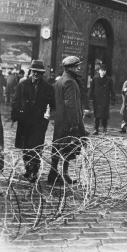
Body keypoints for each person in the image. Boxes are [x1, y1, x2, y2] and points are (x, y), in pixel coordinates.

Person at [11, 60, 55, 183]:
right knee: (25, 147)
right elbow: (15, 101)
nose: (36, 74)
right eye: (34, 72)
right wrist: (16, 114)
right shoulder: (22, 85)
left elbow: (53, 104)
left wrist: (46, 117)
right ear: (31, 71)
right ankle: (27, 169)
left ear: (42, 74)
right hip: (24, 121)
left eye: (39, 73)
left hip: (38, 123)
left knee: (36, 147)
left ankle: (34, 171)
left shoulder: (48, 87)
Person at [48, 56, 88, 185]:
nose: (79, 68)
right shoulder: (70, 82)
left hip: (60, 121)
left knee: (58, 147)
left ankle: (52, 174)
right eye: (77, 66)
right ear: (70, 67)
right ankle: (64, 175)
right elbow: (72, 105)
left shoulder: (60, 81)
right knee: (68, 149)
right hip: (69, 123)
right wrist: (75, 124)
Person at [89, 64, 116, 135]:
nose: (103, 72)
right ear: (99, 71)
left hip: (105, 100)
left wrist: (113, 99)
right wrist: (89, 97)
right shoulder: (95, 78)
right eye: (102, 70)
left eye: (104, 71)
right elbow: (91, 89)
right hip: (97, 99)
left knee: (105, 115)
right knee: (96, 115)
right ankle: (96, 129)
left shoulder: (109, 80)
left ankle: (104, 129)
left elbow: (112, 90)